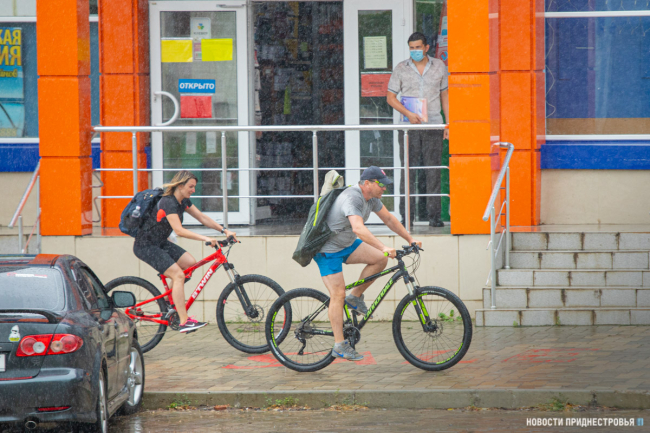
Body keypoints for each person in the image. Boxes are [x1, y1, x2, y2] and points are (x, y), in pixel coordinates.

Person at [314, 166, 422, 361]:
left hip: (346, 244)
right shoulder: (353, 197)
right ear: (367, 183)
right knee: (338, 294)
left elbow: (389, 219)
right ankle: (339, 345)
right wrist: (383, 246)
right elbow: (358, 228)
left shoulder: (372, 198)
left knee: (379, 259)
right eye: (381, 185)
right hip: (327, 249)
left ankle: (354, 297)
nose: (384, 188)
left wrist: (410, 239)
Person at [133, 170, 237, 333]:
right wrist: (205, 238)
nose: (193, 190)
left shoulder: (183, 201)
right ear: (180, 186)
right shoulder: (168, 202)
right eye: (191, 187)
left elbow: (202, 217)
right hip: (146, 245)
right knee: (178, 275)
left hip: (160, 242)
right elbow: (179, 230)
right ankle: (184, 321)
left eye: (194, 187)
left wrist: (224, 230)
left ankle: (168, 302)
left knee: (189, 264)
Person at [386, 31, 450, 228]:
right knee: (408, 172)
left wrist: (448, 124)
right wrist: (408, 113)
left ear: (426, 48)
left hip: (433, 125)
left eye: (418, 47)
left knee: (433, 171)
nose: (414, 51)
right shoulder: (401, 68)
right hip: (408, 127)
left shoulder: (439, 66)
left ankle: (434, 217)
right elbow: (390, 98)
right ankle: (407, 217)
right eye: (411, 48)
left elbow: (445, 96)